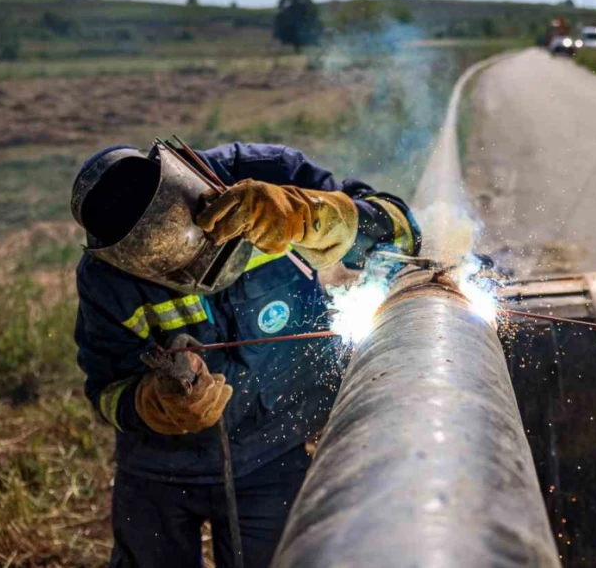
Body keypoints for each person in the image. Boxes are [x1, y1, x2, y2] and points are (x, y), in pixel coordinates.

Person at [71, 141, 420, 568]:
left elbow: (403, 233)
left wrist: (311, 215)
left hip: (276, 454)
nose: (197, 275)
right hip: (157, 473)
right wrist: (154, 403)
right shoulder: (106, 278)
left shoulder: (270, 173)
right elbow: (105, 389)